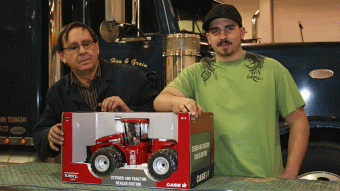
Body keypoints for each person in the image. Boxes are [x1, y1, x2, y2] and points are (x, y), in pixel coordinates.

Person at [153, 4, 309, 179]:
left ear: (242, 33)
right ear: (208, 37)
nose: (223, 36)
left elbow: (299, 122)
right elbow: (160, 101)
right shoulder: (197, 72)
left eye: (229, 29)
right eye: (216, 31)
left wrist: (290, 174)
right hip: (214, 181)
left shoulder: (271, 69)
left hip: (265, 182)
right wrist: (177, 102)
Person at [33, 22, 158, 158]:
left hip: (128, 167)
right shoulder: (57, 92)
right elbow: (39, 135)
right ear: (62, 56)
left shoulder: (130, 76)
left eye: (87, 44)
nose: (82, 51)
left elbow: (160, 115)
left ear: (97, 47)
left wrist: (130, 114)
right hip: (83, 171)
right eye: (73, 47)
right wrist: (49, 135)